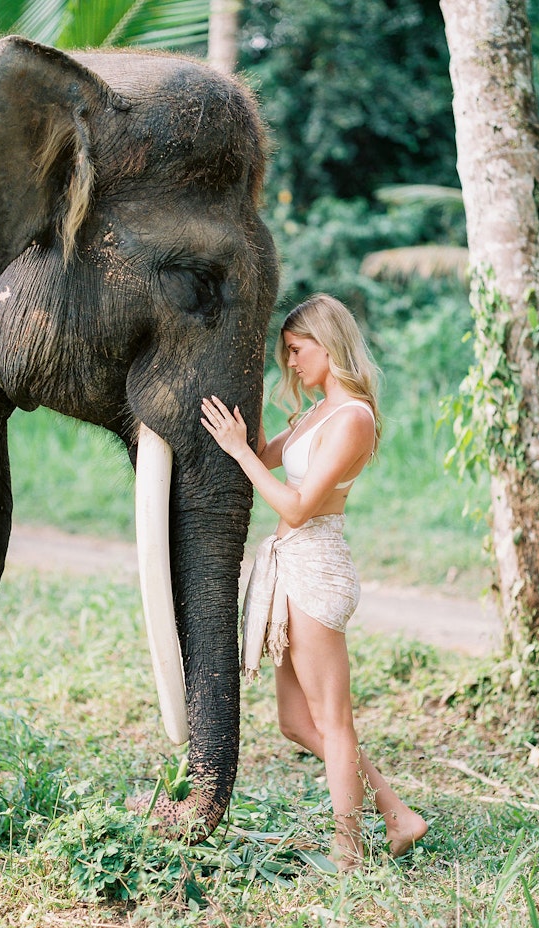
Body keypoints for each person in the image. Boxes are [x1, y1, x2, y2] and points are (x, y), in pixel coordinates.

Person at [201, 293, 428, 872]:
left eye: (298, 351)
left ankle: (349, 850)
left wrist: (239, 453)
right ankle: (397, 813)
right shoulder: (318, 412)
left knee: (333, 720)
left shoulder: (352, 418)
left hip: (316, 566)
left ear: (328, 345)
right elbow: (261, 455)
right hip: (290, 563)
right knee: (296, 722)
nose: (293, 364)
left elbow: (299, 506)